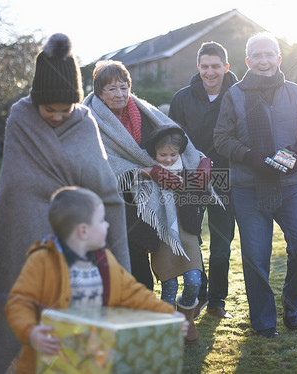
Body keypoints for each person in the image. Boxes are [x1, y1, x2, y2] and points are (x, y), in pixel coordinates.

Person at [0, 34, 129, 374]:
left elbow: (106, 191)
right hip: (21, 246)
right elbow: (16, 187)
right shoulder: (20, 119)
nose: (55, 116)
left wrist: (116, 260)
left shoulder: (84, 122)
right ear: (36, 100)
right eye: (48, 108)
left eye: (64, 108)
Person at [83, 60, 212, 345]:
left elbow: (177, 139)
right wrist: (146, 170)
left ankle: (172, 325)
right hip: (114, 207)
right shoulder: (87, 118)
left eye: (123, 86)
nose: (119, 93)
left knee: (159, 274)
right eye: (111, 88)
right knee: (129, 272)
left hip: (153, 203)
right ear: (99, 91)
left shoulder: (144, 111)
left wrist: (201, 160)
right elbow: (96, 164)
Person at [5, 186, 187, 373]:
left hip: (92, 355)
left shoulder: (105, 261)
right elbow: (19, 302)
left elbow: (134, 293)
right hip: (50, 359)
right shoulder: (42, 261)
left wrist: (167, 313)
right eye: (101, 221)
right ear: (83, 231)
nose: (107, 225)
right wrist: (31, 331)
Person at [214, 32, 297, 338]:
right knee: (256, 257)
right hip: (249, 187)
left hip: (291, 186)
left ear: (278, 58)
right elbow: (221, 138)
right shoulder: (234, 95)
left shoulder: (296, 92)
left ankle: (292, 301)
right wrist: (250, 156)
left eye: (268, 54)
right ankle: (263, 322)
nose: (263, 60)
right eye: (256, 56)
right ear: (248, 61)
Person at [169, 41, 238, 320]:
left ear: (226, 67)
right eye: (205, 67)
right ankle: (199, 294)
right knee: (193, 241)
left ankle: (217, 301)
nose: (210, 72)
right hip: (192, 177)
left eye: (216, 66)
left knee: (221, 245)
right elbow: (173, 137)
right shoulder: (182, 98)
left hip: (225, 178)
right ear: (198, 67)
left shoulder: (239, 95)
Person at [144, 125, 209, 344]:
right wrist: (152, 173)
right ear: (154, 153)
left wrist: (205, 165)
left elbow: (198, 183)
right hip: (163, 235)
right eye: (163, 155)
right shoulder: (147, 169)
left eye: (173, 154)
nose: (169, 159)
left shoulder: (189, 165)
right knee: (169, 286)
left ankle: (186, 317)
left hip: (187, 231)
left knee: (194, 281)